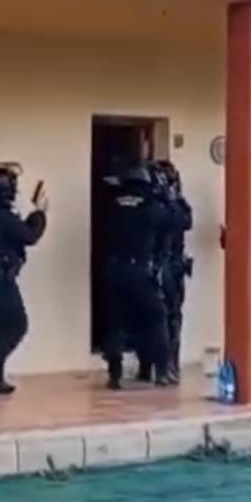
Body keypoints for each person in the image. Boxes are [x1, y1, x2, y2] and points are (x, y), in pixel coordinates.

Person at [0, 163, 47, 396]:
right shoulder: (1, 216)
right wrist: (39, 213)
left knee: (0, 327)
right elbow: (29, 236)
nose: (16, 191)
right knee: (17, 324)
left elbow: (17, 233)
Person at [101, 163, 173, 389]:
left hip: (115, 270)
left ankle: (114, 375)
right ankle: (161, 371)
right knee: (155, 318)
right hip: (140, 270)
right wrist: (168, 196)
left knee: (116, 323)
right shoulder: (151, 206)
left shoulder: (112, 205)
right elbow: (175, 222)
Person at [150, 160, 193, 383]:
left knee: (171, 316)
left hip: (170, 264)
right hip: (159, 263)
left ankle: (169, 366)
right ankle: (159, 366)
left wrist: (172, 200)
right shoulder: (156, 203)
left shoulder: (175, 204)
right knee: (160, 317)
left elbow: (185, 222)